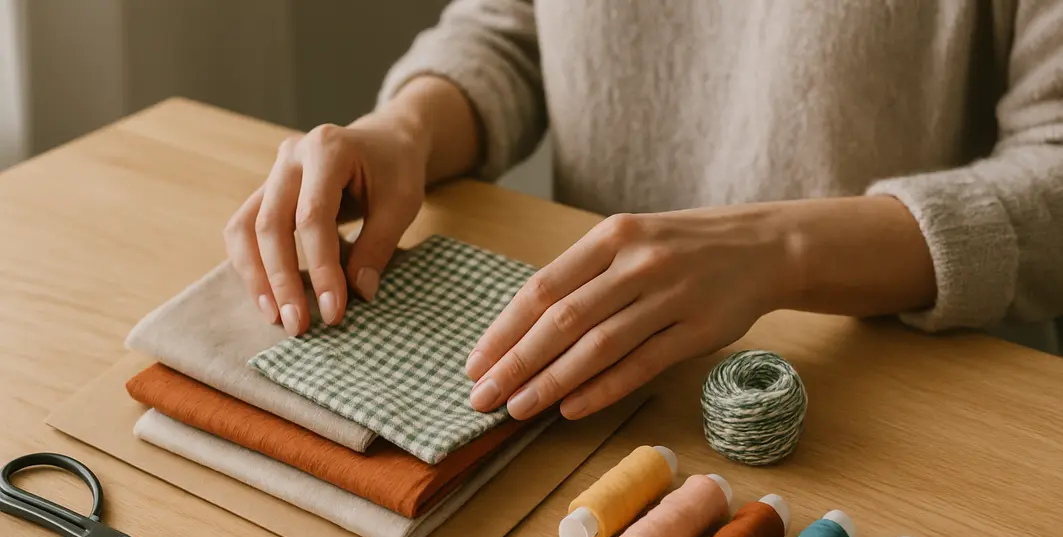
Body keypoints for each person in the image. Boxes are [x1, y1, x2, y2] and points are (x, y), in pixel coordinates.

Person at [223, 0, 1063, 422]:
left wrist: (782, 248)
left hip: (909, 400)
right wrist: (406, 128)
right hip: (603, 383)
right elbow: (510, 30)